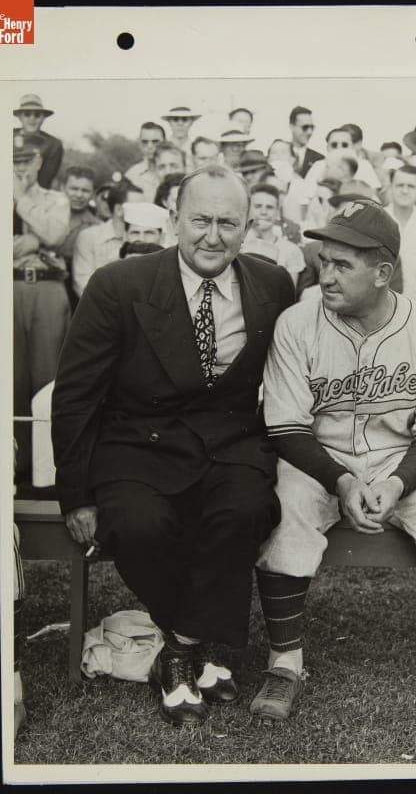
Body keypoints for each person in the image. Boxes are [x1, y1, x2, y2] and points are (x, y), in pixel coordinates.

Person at [250, 200, 416, 735]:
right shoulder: (297, 322)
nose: (326, 274)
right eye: (324, 260)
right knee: (283, 510)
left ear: (383, 272)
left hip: (402, 459)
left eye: (343, 265)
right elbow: (285, 426)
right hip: (317, 459)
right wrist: (342, 480)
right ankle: (285, 664)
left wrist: (396, 483)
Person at [51, 164, 296, 726]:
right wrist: (76, 495)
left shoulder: (273, 283)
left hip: (229, 442)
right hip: (138, 443)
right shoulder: (120, 284)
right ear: (174, 220)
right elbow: (75, 396)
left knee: (248, 509)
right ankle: (197, 646)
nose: (213, 236)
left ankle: (180, 651)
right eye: (200, 220)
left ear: (247, 226)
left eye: (228, 223)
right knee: (139, 525)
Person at [13, 134, 71, 481]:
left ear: (39, 162)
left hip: (47, 286)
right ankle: (15, 469)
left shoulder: (55, 198)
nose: (21, 167)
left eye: (27, 160)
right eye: (14, 161)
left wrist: (21, 201)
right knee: (12, 379)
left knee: (47, 381)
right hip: (10, 285)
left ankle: (47, 473)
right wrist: (27, 241)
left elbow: (53, 235)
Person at [72, 178, 144, 298]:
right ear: (119, 210)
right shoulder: (90, 238)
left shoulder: (147, 237)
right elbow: (83, 286)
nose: (145, 212)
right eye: (139, 208)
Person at [242, 184, 305, 287]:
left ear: (277, 212)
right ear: (248, 210)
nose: (263, 212)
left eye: (269, 207)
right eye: (258, 206)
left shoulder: (290, 250)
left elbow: (288, 295)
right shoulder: (237, 244)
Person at [56, 166, 101, 311]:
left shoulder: (95, 226)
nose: (79, 195)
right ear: (62, 188)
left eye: (85, 190)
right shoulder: (47, 216)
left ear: (93, 193)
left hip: (74, 287)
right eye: (74, 189)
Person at [384, 165, 416, 296]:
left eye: (411, 186)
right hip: (385, 299)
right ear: (391, 187)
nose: (405, 191)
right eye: (400, 185)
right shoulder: (378, 219)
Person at [13, 93, 64, 189]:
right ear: (19, 116)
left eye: (37, 115)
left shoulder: (53, 144)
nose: (32, 119)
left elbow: (45, 180)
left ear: (43, 117)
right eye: (27, 114)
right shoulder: (7, 136)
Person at [305, 128, 382, 191]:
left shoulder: (364, 165)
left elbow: (372, 195)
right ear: (327, 148)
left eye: (344, 145)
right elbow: (306, 194)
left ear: (352, 147)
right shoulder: (318, 165)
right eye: (334, 145)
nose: (339, 148)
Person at [125, 122, 166, 202]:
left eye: (155, 142)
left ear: (165, 142)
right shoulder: (131, 175)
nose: (149, 146)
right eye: (145, 142)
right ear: (139, 144)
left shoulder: (175, 170)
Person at [288, 106, 324, 178]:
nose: (309, 132)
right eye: (305, 127)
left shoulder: (319, 159)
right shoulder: (278, 154)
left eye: (312, 128)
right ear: (292, 126)